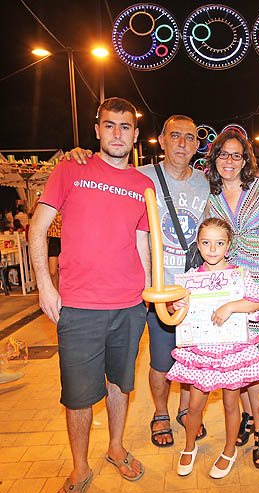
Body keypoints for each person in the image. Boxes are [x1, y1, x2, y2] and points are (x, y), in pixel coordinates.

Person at [29, 97, 152, 493]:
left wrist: (150, 294)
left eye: (126, 127)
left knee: (120, 384)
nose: (118, 134)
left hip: (130, 304)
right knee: (79, 396)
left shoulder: (142, 184)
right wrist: (45, 287)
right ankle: (80, 468)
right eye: (110, 125)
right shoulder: (70, 169)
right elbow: (37, 228)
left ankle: (116, 448)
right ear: (97, 130)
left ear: (136, 135)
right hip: (79, 307)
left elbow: (141, 242)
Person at [64, 115, 210, 447]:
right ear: (161, 140)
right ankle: (160, 412)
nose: (183, 143)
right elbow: (101, 175)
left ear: (197, 144)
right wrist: (80, 155)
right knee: (161, 361)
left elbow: (238, 181)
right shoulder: (138, 176)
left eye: (190, 137)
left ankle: (186, 411)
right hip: (153, 290)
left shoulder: (206, 181)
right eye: (175, 136)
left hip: (194, 291)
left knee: (193, 358)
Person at [206, 129, 259, 468]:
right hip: (229, 287)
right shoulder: (211, 199)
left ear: (246, 160)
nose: (229, 161)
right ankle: (246, 418)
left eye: (236, 155)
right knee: (237, 361)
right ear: (214, 160)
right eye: (223, 155)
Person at [166, 218, 259, 478]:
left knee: (231, 402)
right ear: (198, 245)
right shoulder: (191, 279)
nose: (212, 249)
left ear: (228, 246)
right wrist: (176, 307)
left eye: (219, 243)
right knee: (195, 404)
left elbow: (257, 303)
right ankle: (189, 445)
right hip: (201, 353)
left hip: (232, 352)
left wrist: (231, 306)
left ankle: (229, 450)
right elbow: (174, 309)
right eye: (206, 243)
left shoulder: (239, 276)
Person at [47, 211, 62, 290]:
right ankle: (56, 296)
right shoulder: (46, 200)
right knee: (52, 271)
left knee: (67, 271)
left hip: (68, 236)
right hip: (54, 238)